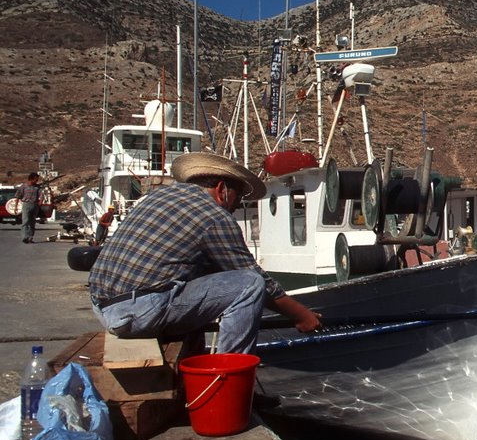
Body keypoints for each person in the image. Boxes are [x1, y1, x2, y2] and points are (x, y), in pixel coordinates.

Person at [88, 152, 320, 354]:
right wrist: (301, 315)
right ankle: (228, 377)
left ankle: (197, 372)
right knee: (250, 284)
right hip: (139, 313)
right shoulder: (214, 216)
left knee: (200, 274)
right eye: (237, 198)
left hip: (102, 307)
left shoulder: (156, 197)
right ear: (221, 189)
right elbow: (256, 278)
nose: (237, 206)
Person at [15, 172, 42, 243]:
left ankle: (30, 237)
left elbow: (41, 195)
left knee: (32, 222)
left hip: (35, 205)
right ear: (31, 179)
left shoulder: (37, 187)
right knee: (25, 221)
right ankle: (24, 237)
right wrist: (16, 207)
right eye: (36, 179)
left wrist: (40, 202)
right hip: (26, 205)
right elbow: (18, 196)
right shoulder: (23, 186)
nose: (37, 181)